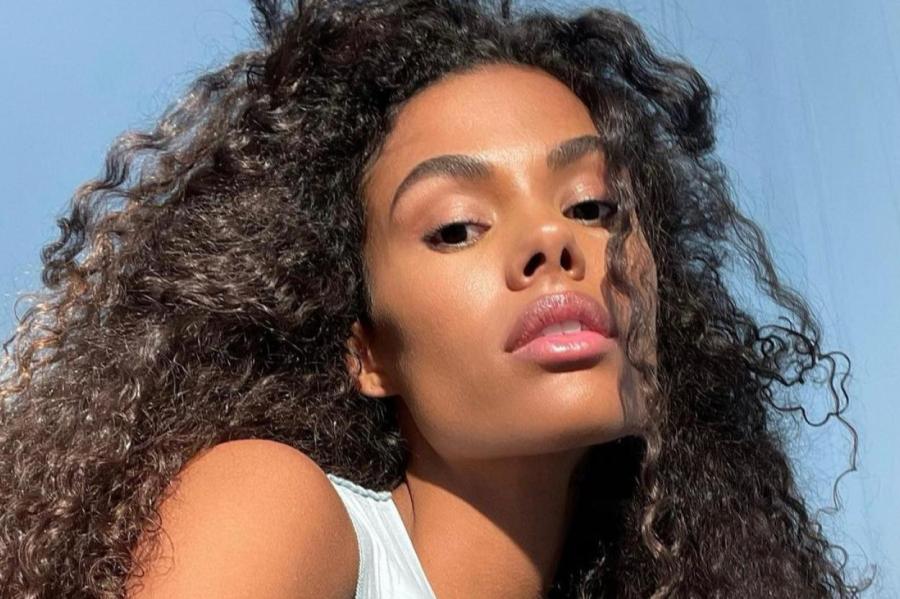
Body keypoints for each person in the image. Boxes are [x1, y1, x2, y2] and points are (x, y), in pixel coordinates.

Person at [0, 0, 871, 597]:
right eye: (456, 226)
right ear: (368, 352)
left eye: (593, 207)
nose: (552, 241)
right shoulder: (286, 510)